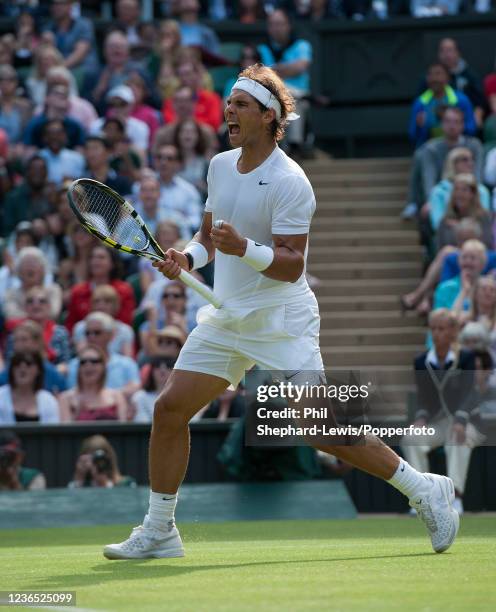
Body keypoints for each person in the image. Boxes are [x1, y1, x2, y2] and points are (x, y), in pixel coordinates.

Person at [104, 65, 460, 560]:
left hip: (281, 319)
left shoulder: (292, 181)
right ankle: (160, 529)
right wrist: (189, 258)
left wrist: (245, 247)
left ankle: (424, 489)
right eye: (228, 102)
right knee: (169, 409)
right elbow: (208, 239)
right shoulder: (220, 166)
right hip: (227, 316)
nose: (229, 110)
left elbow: (291, 266)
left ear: (269, 116)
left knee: (321, 430)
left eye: (240, 104)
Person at [402, 308, 483, 515]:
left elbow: (470, 393)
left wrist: (460, 420)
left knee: (457, 438)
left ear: (453, 332)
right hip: (437, 422)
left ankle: (454, 498)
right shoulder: (421, 361)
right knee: (411, 438)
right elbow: (422, 397)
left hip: (465, 421)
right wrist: (420, 419)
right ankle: (422, 497)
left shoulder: (465, 357)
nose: (436, 333)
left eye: (441, 328)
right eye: (433, 329)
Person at [403, 106, 483, 219]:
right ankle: (412, 204)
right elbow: (428, 178)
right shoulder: (430, 149)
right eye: (448, 121)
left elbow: (478, 176)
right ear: (441, 124)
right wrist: (430, 201)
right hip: (442, 196)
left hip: (470, 194)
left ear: (463, 125)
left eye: (456, 122)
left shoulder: (474, 146)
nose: (452, 126)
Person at [258, 9, 312, 153]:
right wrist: (288, 68)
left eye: (280, 24)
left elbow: (301, 67)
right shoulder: (262, 49)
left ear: (288, 25)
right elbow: (262, 74)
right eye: (273, 24)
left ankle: (293, 147)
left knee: (290, 98)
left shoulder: (302, 45)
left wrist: (274, 70)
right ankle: (291, 147)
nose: (277, 28)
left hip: (300, 96)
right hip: (270, 96)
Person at [65, 312, 140, 399]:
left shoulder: (127, 364)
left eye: (97, 333)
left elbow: (135, 388)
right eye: (87, 333)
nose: (91, 337)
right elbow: (73, 394)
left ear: (110, 335)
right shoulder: (76, 364)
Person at [65, 244, 136, 332]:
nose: (95, 261)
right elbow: (71, 324)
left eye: (101, 257)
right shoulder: (78, 291)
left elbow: (126, 322)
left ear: (112, 263)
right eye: (92, 257)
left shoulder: (124, 290)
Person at [409, 63, 476, 148]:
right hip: (431, 150)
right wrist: (420, 127)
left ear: (447, 78)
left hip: (458, 147)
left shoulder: (461, 100)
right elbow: (413, 136)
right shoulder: (420, 103)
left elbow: (472, 129)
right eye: (430, 74)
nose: (434, 78)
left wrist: (455, 125)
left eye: (438, 74)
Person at [59, 345, 128, 422]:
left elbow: (123, 430)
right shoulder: (66, 398)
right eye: (83, 362)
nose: (88, 365)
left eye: (94, 361)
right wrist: (77, 414)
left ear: (103, 367)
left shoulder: (117, 396)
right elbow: (65, 432)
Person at [0, 320, 67, 395]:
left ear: (37, 342)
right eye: (16, 340)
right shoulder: (8, 372)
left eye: (24, 340)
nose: (18, 345)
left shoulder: (52, 374)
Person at [151, 143, 203, 233]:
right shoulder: (142, 186)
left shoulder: (189, 191)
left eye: (169, 159)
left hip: (178, 240)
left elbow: (195, 221)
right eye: (159, 157)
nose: (163, 162)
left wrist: (177, 221)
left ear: (178, 163)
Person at [72, 284, 135, 358]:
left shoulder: (125, 330)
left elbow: (128, 359)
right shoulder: (81, 327)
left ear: (116, 305)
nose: (101, 305)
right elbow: (82, 356)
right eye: (97, 301)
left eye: (107, 301)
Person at [90, 85, 149, 162]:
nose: (117, 108)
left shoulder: (140, 127)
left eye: (122, 104)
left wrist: (122, 135)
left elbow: (141, 158)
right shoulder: (97, 124)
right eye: (112, 104)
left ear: (131, 105)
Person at [42, 0, 99, 77]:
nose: (56, 7)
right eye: (54, 4)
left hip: (82, 70)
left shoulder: (84, 25)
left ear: (70, 6)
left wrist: (59, 69)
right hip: (58, 72)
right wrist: (48, 45)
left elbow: (79, 54)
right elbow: (46, 56)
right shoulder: (48, 28)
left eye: (60, 4)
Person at [436, 173, 492, 251]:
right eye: (456, 190)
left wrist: (460, 227)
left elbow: (487, 245)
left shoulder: (483, 217)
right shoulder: (445, 220)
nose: (459, 194)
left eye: (464, 190)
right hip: (452, 259)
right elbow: (440, 248)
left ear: (473, 194)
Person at [0, 351, 60, 424]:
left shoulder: (49, 401)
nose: (22, 367)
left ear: (38, 370)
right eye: (17, 363)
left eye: (28, 363)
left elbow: (53, 432)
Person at [1, 156, 53, 238]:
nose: (38, 172)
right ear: (27, 172)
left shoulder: (51, 196)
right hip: (19, 244)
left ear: (46, 173)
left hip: (47, 243)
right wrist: (30, 228)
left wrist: (48, 225)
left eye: (41, 169)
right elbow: (6, 230)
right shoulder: (13, 197)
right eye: (34, 169)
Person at [68, 434, 136, 488]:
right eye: (92, 460)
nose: (97, 464)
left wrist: (105, 483)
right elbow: (71, 502)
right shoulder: (80, 486)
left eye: (100, 459)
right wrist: (79, 478)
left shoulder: (127, 484)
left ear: (109, 459)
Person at [39, 118, 85, 185]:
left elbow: (84, 185)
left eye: (58, 133)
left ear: (65, 136)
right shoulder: (38, 158)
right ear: (44, 137)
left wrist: (73, 181)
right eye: (51, 133)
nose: (54, 137)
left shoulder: (77, 159)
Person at [132, 356, 176, 422]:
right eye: (157, 365)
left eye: (168, 365)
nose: (162, 370)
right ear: (151, 371)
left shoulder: (183, 397)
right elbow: (142, 424)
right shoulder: (140, 397)